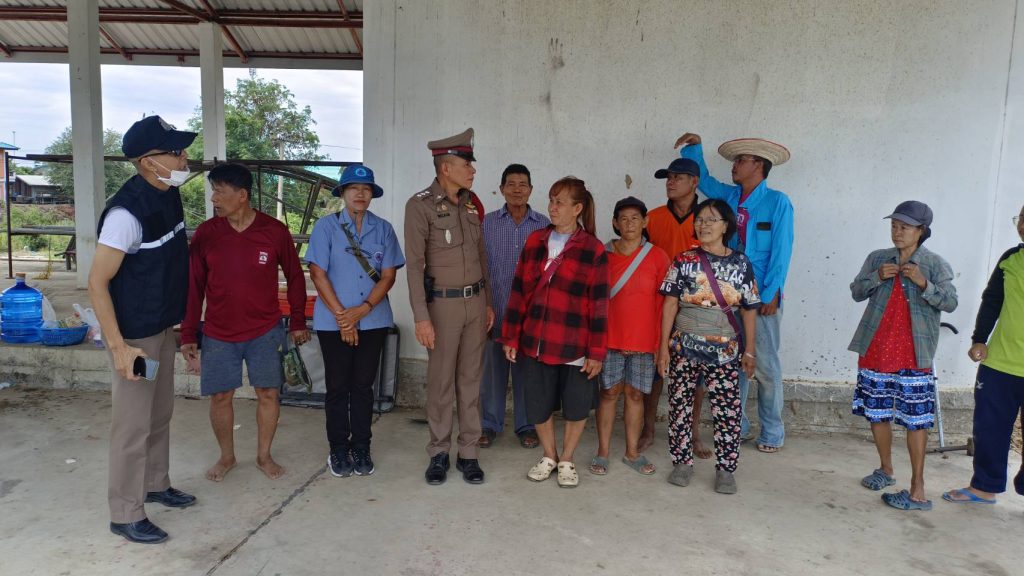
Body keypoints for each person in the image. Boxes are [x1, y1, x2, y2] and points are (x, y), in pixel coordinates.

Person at [89, 115, 197, 544]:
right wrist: (118, 347)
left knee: (159, 413)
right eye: (175, 151)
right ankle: (125, 512)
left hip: (161, 326)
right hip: (135, 337)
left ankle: (155, 483)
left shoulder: (167, 194)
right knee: (132, 425)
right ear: (149, 162)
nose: (184, 157)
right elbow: (97, 283)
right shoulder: (125, 214)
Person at [180, 163, 309, 484]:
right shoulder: (207, 234)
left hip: (266, 330)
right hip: (218, 332)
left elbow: (295, 276)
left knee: (268, 393)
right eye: (213, 192)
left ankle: (264, 456)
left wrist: (297, 320)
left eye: (219, 192)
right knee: (220, 396)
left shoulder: (274, 231)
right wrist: (189, 332)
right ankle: (227, 456)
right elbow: (193, 285)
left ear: (242, 195)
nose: (213, 199)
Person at [676, 132, 794, 454]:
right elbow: (703, 180)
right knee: (732, 362)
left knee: (765, 366)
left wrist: (771, 292)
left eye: (741, 160)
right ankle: (736, 426)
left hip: (762, 297)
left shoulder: (778, 202)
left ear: (759, 165)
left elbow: (782, 251)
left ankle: (772, 431)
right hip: (728, 296)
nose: (734, 165)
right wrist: (695, 148)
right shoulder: (728, 196)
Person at [500, 177, 608, 488]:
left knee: (576, 404)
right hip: (536, 340)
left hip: (575, 343)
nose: (552, 207)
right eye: (551, 200)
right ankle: (549, 455)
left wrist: (596, 352)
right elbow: (518, 291)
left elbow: (600, 305)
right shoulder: (536, 241)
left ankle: (567, 459)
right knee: (538, 401)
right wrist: (511, 336)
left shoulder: (592, 249)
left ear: (578, 208)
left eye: (560, 202)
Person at [849, 201, 957, 511]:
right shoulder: (878, 258)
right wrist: (876, 277)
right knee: (877, 413)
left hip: (914, 355)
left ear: (921, 231)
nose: (897, 232)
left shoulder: (935, 264)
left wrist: (924, 283)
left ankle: (917, 489)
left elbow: (950, 302)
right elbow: (856, 291)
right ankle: (885, 469)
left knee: (916, 420)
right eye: (894, 226)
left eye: (905, 227)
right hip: (876, 349)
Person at [405, 128, 494, 485]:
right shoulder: (420, 205)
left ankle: (469, 453)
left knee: (471, 381)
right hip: (442, 307)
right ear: (445, 168)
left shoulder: (472, 204)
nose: (472, 170)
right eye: (466, 164)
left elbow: (482, 257)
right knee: (441, 382)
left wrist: (488, 303)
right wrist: (421, 317)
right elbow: (414, 266)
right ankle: (439, 452)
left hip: (476, 303)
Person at [307, 164, 405, 478]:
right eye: (353, 189)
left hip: (373, 320)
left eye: (365, 189)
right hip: (332, 322)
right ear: (343, 193)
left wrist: (362, 310)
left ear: (372, 194)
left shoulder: (384, 229)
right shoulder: (326, 227)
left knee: (363, 387)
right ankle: (338, 448)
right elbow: (317, 274)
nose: (360, 194)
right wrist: (344, 318)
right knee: (337, 386)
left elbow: (388, 276)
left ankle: (362, 446)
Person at [658, 199, 759, 494]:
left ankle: (726, 470)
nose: (703, 225)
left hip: (724, 350)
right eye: (700, 219)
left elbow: (749, 309)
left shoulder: (741, 263)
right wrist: (663, 348)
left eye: (711, 220)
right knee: (679, 406)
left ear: (726, 226)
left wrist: (749, 351)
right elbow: (669, 305)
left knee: (727, 410)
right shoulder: (683, 260)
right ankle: (682, 463)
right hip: (683, 346)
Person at [943, 204, 1024, 505]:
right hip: (1000, 363)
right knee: (989, 428)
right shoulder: (1010, 259)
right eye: (1021, 218)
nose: (1023, 225)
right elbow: (992, 301)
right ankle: (984, 486)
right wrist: (979, 339)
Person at [591, 197, 669, 476]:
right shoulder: (602, 254)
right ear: (615, 223)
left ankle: (632, 452)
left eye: (635, 218)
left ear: (645, 222)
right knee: (609, 393)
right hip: (609, 338)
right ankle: (602, 453)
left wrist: (661, 345)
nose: (629, 223)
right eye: (623, 218)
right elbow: (593, 298)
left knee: (635, 395)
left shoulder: (658, 257)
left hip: (644, 341)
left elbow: (665, 304)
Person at [480, 164, 549, 449]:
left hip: (530, 317)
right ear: (501, 189)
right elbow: (479, 267)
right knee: (491, 373)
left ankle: (526, 425)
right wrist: (484, 305)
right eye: (511, 184)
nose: (517, 189)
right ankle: (489, 424)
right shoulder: (487, 224)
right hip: (494, 310)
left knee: (526, 374)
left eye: (523, 184)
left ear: (531, 190)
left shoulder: (544, 225)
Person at [641, 158, 707, 458]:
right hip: (656, 304)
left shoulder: (707, 218)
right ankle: (647, 429)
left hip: (696, 307)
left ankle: (693, 434)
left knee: (697, 376)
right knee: (654, 370)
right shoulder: (652, 218)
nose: (670, 182)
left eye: (678, 177)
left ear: (695, 182)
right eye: (668, 177)